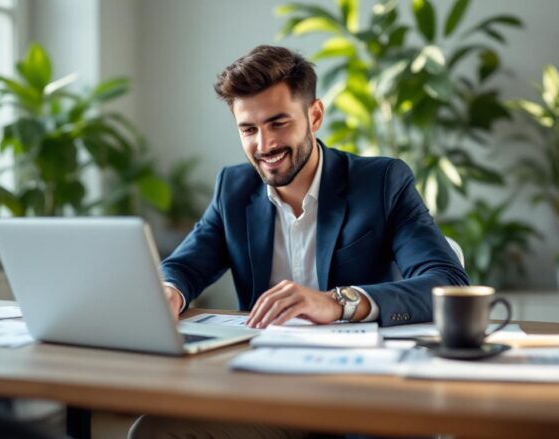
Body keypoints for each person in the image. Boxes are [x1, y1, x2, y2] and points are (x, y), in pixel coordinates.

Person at [129, 45, 468, 439]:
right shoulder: (233, 188)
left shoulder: (381, 182)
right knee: (153, 431)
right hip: (270, 393)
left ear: (315, 116)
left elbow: (447, 282)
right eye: (249, 129)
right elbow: (186, 265)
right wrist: (169, 291)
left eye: (278, 123)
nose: (264, 145)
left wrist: (336, 302)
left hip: (364, 397)